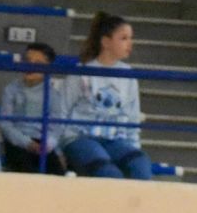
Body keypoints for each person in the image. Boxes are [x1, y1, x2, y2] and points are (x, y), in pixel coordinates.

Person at [58, 13, 152, 181]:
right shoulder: (81, 72)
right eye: (124, 38)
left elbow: (132, 116)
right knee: (108, 173)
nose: (130, 44)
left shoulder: (128, 75)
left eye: (131, 38)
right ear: (106, 42)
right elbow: (60, 111)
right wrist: (57, 149)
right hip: (81, 137)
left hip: (115, 139)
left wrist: (135, 146)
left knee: (141, 165)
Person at [0, 42, 65, 175]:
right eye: (27, 60)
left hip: (43, 143)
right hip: (17, 142)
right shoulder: (11, 90)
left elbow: (57, 125)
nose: (31, 66)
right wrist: (26, 143)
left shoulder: (53, 93)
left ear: (48, 68)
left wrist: (48, 145)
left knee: (57, 174)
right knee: (26, 172)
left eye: (38, 63)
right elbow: (5, 124)